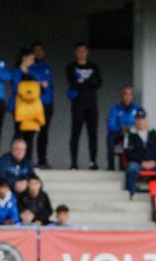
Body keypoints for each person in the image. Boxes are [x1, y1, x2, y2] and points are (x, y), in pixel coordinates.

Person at [67, 42, 104, 170]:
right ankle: (73, 163)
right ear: (75, 52)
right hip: (77, 105)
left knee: (92, 134)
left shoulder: (94, 66)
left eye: (84, 51)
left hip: (92, 105)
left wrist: (84, 81)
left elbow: (98, 83)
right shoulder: (71, 67)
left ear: (87, 52)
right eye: (79, 51)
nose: (81, 53)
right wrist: (89, 82)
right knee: (75, 134)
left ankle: (93, 162)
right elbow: (73, 83)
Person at [124, 110, 156, 197]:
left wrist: (155, 161)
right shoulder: (130, 133)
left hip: (152, 162)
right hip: (137, 162)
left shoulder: (153, 132)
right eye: (138, 119)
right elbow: (128, 152)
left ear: (146, 120)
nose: (140, 121)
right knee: (132, 169)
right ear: (135, 120)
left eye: (142, 119)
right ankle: (132, 194)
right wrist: (141, 162)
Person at [10, 50, 46, 157]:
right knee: (18, 133)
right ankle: (15, 158)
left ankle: (28, 160)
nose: (32, 61)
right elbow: (16, 88)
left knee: (30, 134)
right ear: (23, 58)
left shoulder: (34, 73)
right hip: (19, 106)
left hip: (32, 108)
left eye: (33, 59)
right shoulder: (16, 72)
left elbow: (40, 91)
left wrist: (42, 86)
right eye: (30, 58)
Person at [28, 42, 54, 167]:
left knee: (44, 133)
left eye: (40, 50)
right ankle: (28, 160)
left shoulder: (47, 65)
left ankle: (42, 160)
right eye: (35, 50)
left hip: (47, 104)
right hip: (32, 104)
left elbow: (47, 84)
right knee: (30, 133)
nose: (38, 52)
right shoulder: (29, 66)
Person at [104, 85, 140, 172]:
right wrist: (121, 129)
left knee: (136, 139)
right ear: (121, 96)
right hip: (118, 133)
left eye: (129, 94)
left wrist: (130, 128)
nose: (127, 97)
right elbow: (111, 125)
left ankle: (129, 166)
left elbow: (141, 123)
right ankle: (111, 165)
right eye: (125, 94)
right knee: (111, 138)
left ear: (132, 96)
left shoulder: (138, 108)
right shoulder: (115, 108)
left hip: (132, 133)